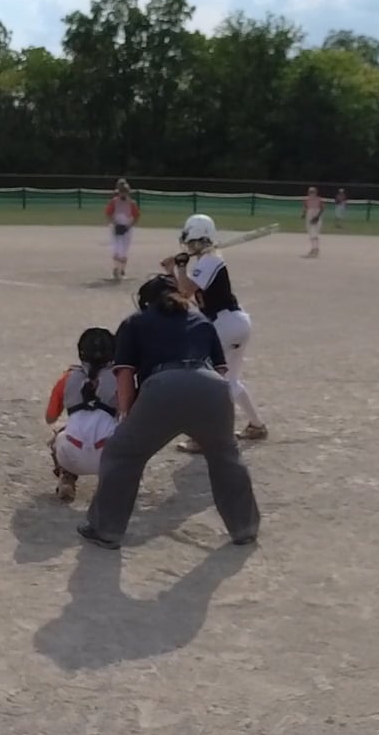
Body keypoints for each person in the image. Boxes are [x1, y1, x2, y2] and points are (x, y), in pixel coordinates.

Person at [79, 274, 260, 551]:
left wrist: (126, 415)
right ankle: (244, 527)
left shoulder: (135, 322)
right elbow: (221, 372)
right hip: (212, 387)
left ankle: (106, 530)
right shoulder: (201, 321)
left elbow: (125, 374)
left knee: (122, 453)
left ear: (146, 301)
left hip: (163, 386)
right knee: (226, 456)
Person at [165, 213, 268, 445]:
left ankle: (204, 436)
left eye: (192, 242)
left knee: (206, 381)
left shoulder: (210, 261)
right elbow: (184, 294)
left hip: (226, 325)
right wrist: (174, 270)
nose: (189, 246)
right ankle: (257, 425)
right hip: (232, 323)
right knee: (230, 381)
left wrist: (180, 266)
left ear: (201, 238)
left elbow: (186, 290)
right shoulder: (206, 262)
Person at [43, 327, 120, 504]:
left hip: (71, 454)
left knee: (58, 435)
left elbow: (50, 418)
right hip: (109, 455)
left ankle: (67, 477)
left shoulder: (67, 378)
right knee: (126, 434)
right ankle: (114, 483)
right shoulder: (120, 378)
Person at [105, 178, 141, 280]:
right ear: (119, 192)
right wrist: (115, 224)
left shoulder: (132, 203)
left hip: (127, 228)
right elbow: (108, 214)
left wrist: (128, 227)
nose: (123, 193)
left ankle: (122, 270)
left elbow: (136, 216)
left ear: (128, 192)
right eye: (122, 191)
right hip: (115, 228)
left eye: (125, 191)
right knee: (116, 249)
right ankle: (116, 269)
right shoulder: (114, 202)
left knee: (124, 251)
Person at [302, 186, 324, 257]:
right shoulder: (307, 199)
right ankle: (314, 248)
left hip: (316, 216)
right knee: (311, 233)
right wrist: (304, 214)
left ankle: (315, 249)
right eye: (310, 192)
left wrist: (317, 217)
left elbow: (322, 208)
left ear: (316, 192)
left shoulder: (318, 199)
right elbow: (306, 207)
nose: (311, 193)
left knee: (314, 233)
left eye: (313, 192)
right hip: (309, 216)